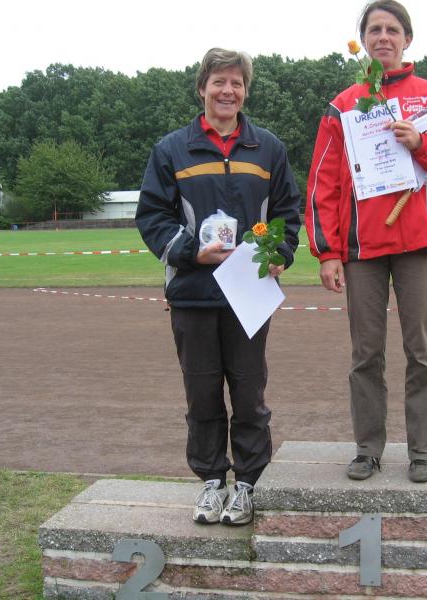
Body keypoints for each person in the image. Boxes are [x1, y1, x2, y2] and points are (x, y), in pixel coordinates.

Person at [305, 1, 427, 483]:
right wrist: (328, 252)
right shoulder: (343, 105)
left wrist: (422, 143)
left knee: (423, 352)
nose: (382, 37)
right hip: (361, 248)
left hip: (417, 244)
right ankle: (368, 449)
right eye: (373, 29)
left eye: (391, 29)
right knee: (366, 354)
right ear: (363, 39)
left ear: (407, 38)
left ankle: (423, 451)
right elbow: (323, 182)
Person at [136, 48, 301, 525]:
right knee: (202, 394)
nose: (228, 91)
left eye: (236, 83)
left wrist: (280, 253)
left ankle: (247, 484)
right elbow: (152, 216)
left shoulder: (268, 148)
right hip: (193, 293)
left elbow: (287, 212)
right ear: (202, 88)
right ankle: (212, 482)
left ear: (245, 91)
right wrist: (191, 252)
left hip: (249, 293)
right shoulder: (171, 149)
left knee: (249, 393)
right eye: (219, 82)